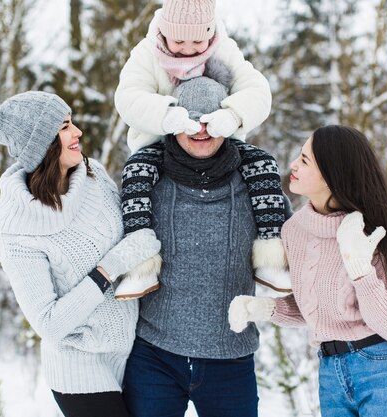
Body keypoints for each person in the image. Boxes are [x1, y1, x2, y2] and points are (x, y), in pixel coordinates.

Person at [0, 91, 161, 417]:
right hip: (80, 366)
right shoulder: (19, 233)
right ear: (41, 142)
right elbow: (49, 323)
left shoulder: (93, 175)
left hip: (132, 349)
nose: (78, 133)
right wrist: (110, 268)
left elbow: (129, 234)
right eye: (65, 126)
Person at [229, 125, 387, 416]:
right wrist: (264, 308)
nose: (293, 165)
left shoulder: (370, 230)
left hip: (383, 366)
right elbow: (320, 307)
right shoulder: (295, 231)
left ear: (331, 173)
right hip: (330, 372)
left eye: (305, 160)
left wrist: (360, 268)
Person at [121, 71, 290, 417]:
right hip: (154, 356)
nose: (201, 130)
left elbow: (300, 237)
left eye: (211, 121)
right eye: (192, 121)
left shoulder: (257, 182)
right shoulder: (148, 178)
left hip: (231, 358)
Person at [113, 0, 290, 298]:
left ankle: (271, 257)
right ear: (164, 32)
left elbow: (257, 90)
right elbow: (128, 96)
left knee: (264, 165)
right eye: (179, 40)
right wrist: (166, 115)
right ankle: (140, 265)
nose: (189, 48)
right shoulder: (146, 52)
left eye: (198, 40)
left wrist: (232, 116)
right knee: (136, 175)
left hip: (219, 136)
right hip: (160, 140)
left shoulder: (222, 46)